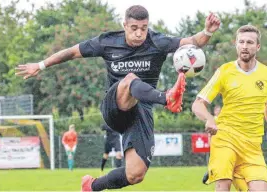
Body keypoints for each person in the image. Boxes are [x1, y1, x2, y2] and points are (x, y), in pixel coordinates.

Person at [15, 5, 220, 191]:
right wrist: (40, 65)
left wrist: (208, 31)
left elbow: (192, 43)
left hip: (141, 111)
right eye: (134, 28)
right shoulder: (108, 42)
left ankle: (92, 186)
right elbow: (71, 52)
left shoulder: (157, 42)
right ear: (125, 25)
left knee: (135, 174)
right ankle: (167, 98)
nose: (139, 33)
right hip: (114, 105)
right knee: (130, 79)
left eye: (144, 27)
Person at [192, 25, 267, 191]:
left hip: (252, 146)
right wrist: (210, 119)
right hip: (225, 138)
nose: (245, 46)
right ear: (236, 45)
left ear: (258, 46)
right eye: (241, 42)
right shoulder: (225, 71)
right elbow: (198, 103)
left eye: (250, 42)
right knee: (223, 185)